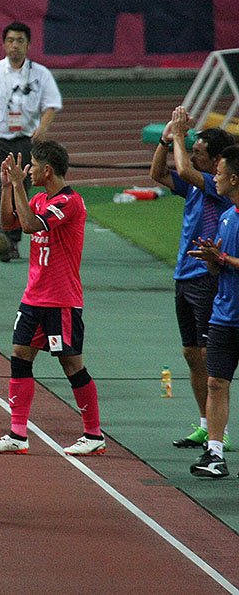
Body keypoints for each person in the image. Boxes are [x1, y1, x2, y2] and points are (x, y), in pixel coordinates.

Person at [0, 141, 106, 456]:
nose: (30, 171)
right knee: (20, 356)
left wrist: (18, 187)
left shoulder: (70, 202)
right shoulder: (39, 199)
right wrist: (8, 187)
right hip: (34, 298)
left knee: (71, 364)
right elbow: (8, 223)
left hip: (61, 300)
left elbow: (28, 225)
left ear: (47, 170)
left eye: (34, 166)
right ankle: (17, 434)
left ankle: (93, 434)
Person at [149, 106, 235, 448]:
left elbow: (183, 168)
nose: (191, 155)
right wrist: (165, 139)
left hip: (205, 277)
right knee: (190, 352)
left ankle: (218, 431)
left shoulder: (215, 185)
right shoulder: (195, 186)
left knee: (207, 356)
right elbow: (158, 173)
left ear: (216, 161)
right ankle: (204, 423)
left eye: (199, 152)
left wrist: (179, 135)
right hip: (184, 275)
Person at [0, 21, 63, 262]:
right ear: (3, 44)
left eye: (20, 40)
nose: (15, 45)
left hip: (25, 143)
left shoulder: (41, 74)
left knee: (20, 191)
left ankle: (13, 241)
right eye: (10, 40)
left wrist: (43, 127)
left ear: (28, 45)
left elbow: (51, 105)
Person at [187, 144, 239, 478]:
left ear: (234, 179)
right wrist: (212, 260)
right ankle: (215, 454)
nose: (214, 178)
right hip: (224, 315)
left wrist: (222, 259)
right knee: (216, 382)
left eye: (219, 173)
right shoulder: (226, 217)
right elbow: (220, 269)